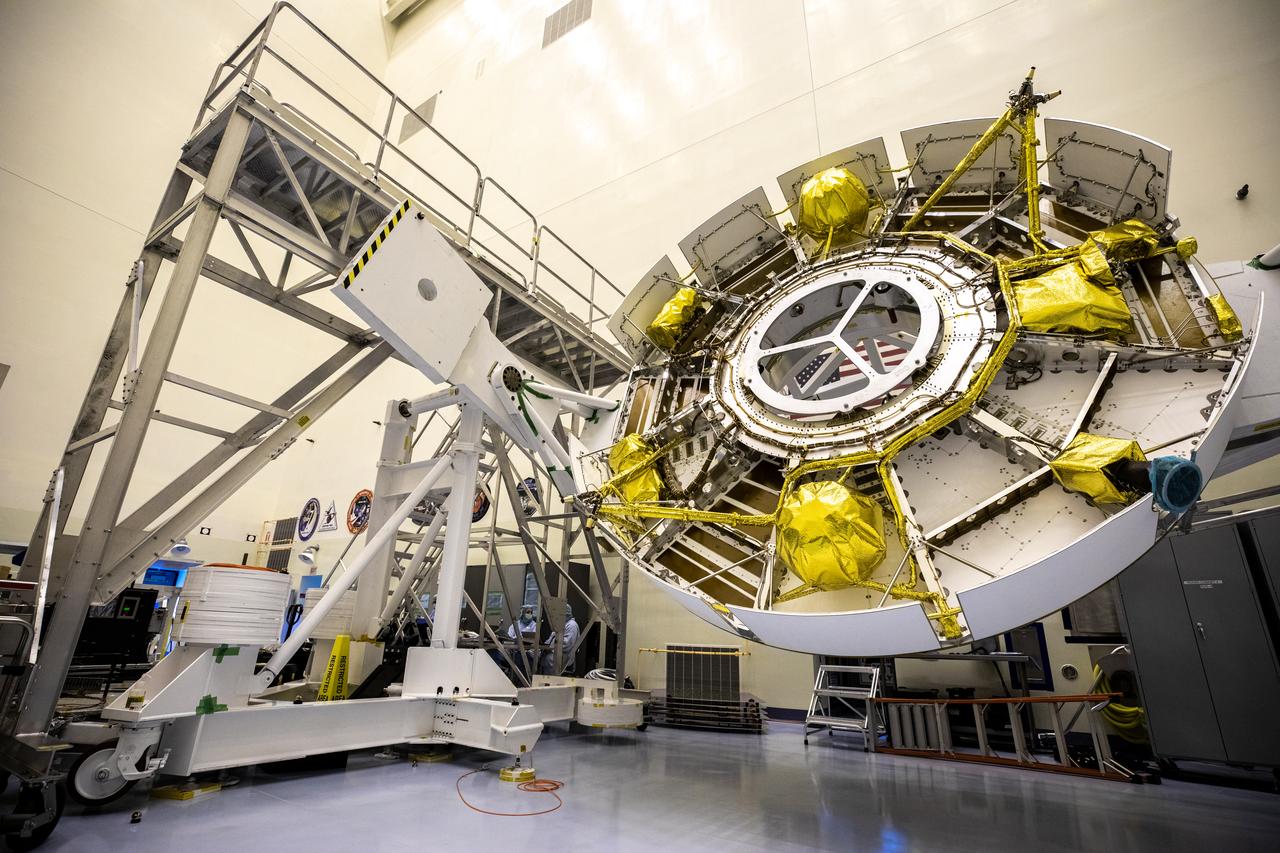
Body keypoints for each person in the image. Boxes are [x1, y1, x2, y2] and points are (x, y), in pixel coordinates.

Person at [539, 604, 580, 675]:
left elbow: (567, 645)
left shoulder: (572, 625)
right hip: (555, 652)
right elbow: (551, 639)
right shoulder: (561, 625)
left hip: (564, 656)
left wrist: (551, 647)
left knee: (549, 658)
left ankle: (550, 681)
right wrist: (545, 646)